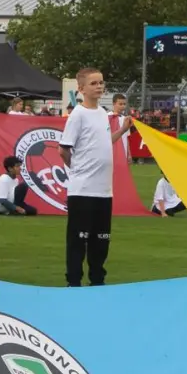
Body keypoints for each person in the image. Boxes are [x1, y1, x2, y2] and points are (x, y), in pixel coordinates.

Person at [60, 67, 133, 287]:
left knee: (101, 240)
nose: (99, 86)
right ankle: (73, 282)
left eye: (101, 82)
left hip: (103, 191)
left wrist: (121, 131)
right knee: (78, 240)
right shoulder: (77, 115)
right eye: (93, 83)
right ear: (81, 88)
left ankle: (97, 280)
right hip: (83, 190)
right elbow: (64, 149)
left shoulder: (102, 113)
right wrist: (77, 170)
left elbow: (101, 142)